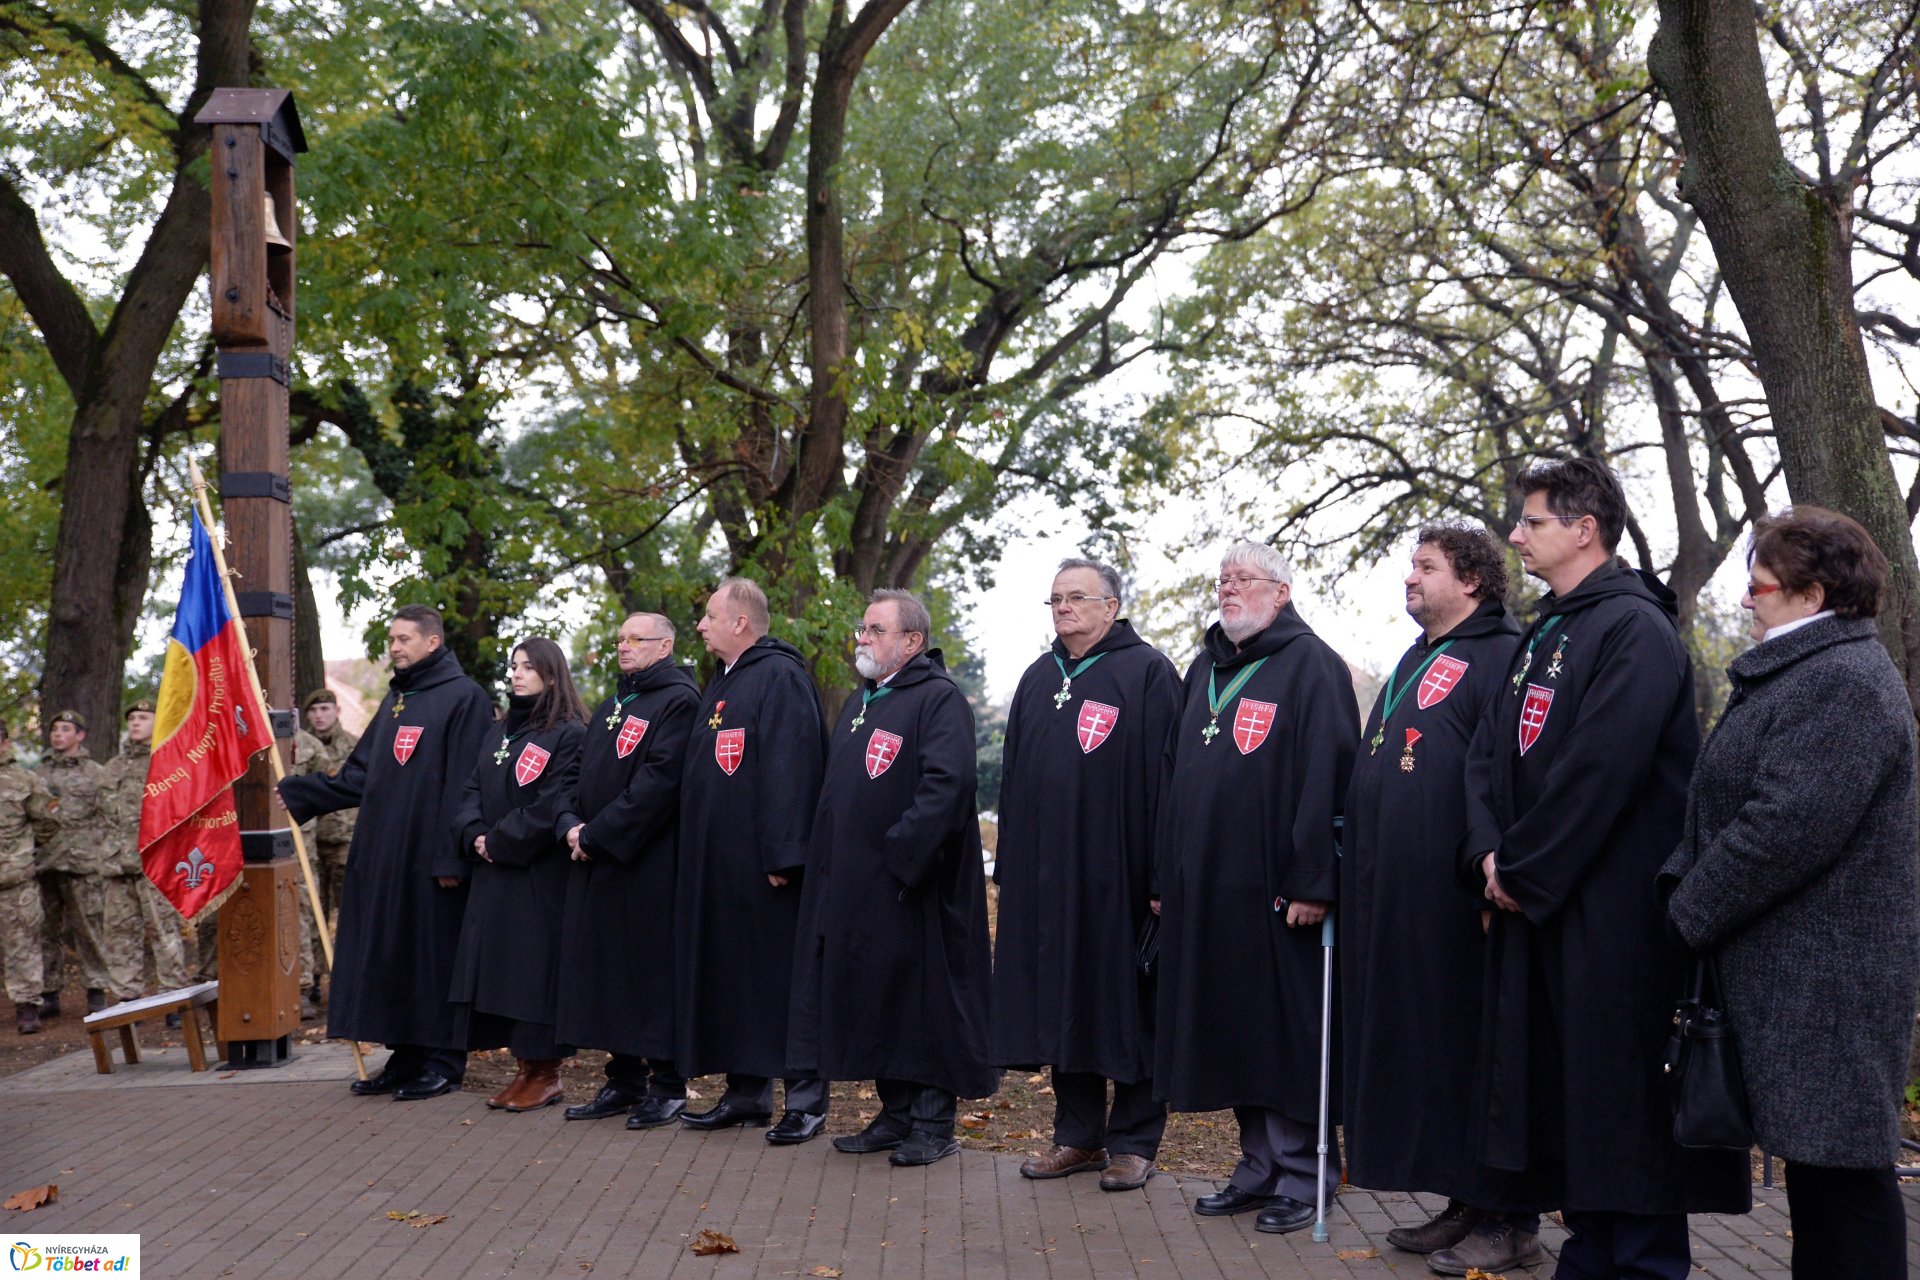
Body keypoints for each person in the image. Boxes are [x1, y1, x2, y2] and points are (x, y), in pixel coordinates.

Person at [1467, 457, 1747, 1279]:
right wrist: (1487, 851)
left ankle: (1644, 1262)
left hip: (1614, 914)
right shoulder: (1550, 628)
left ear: (1585, 529)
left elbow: (1601, 769)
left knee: (1622, 1098)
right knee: (1566, 1093)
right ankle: (1590, 1249)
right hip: (1542, 902)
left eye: (1533, 521)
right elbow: (1488, 752)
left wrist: (1520, 868)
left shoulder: (1634, 627)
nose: (1516, 534)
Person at [1661, 507, 1919, 1280]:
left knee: (1845, 1184)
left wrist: (1686, 913)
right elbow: (1729, 805)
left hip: (1830, 982)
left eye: (1761, 585)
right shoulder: (1806, 671)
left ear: (1813, 596)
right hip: (1801, 979)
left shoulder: (1842, 682)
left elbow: (1782, 829)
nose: (1747, 599)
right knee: (1823, 1180)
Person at [1338, 526, 1543, 1275]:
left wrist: (1495, 870)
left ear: (1474, 581)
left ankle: (1510, 1218)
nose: (1410, 578)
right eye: (1411, 566)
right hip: (1399, 898)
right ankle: (1464, 1199)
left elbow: (1507, 776)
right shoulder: (1418, 656)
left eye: (1426, 567)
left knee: (1479, 1054)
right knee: (1433, 1051)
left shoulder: (1501, 656)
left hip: (1466, 900)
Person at [1154, 542, 1358, 1235]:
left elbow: (1326, 779)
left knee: (1289, 1038)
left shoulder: (1312, 667)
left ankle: (1307, 1175)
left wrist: (1314, 880)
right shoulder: (1205, 667)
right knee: (1235, 1032)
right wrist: (1165, 877)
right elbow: (1173, 777)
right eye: (1223, 580)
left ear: (1283, 591)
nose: (1229, 590)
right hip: (1208, 891)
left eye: (1244, 580)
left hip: (1280, 895)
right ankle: (1257, 1167)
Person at [990, 559, 1182, 1191]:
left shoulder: (1147, 673)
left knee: (1125, 1007)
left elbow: (1169, 784)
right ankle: (1077, 1137)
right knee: (1063, 1004)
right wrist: (1011, 866)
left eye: (1077, 598)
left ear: (1112, 606)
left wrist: (1161, 876)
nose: (1064, 608)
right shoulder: (1039, 677)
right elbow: (1011, 779)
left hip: (1119, 879)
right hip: (1048, 880)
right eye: (1055, 600)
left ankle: (1133, 1141)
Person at [789, 589, 995, 1167]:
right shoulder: (863, 702)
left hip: (914, 887)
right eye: (863, 628)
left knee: (921, 1004)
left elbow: (946, 787)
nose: (863, 638)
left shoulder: (937, 699)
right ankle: (896, 1114)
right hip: (858, 888)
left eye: (876, 630)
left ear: (912, 642)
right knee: (879, 1001)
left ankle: (933, 1123)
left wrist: (900, 858)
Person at [279, 604, 495, 1102]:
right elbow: (361, 773)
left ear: (432, 642)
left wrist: (451, 858)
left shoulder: (466, 698)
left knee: (432, 958)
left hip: (434, 860)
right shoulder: (400, 699)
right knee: (394, 955)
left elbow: (468, 785)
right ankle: (406, 1053)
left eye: (403, 639)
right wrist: (302, 792)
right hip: (387, 857)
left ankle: (443, 1060)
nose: (394, 647)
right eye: (392, 639)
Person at [675, 577, 831, 1143]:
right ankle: (746, 1096)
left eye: (710, 615)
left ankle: (807, 1103)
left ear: (740, 623)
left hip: (768, 869)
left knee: (781, 984)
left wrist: (787, 853)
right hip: (722, 868)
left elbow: (794, 768)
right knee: (738, 981)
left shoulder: (781, 677)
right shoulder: (724, 681)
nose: (700, 625)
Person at [554, 613, 700, 1127]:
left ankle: (666, 1085)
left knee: (648, 975)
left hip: (647, 864)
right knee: (608, 973)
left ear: (665, 646)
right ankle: (623, 1080)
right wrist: (570, 823)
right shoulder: (617, 702)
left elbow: (659, 784)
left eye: (635, 639)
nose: (624, 646)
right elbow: (577, 772)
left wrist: (598, 835)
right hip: (598, 860)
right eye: (620, 639)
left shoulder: (680, 701)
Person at [449, 637, 587, 1113]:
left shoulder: (569, 733)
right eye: (513, 666)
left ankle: (546, 1072)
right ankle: (524, 1070)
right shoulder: (500, 730)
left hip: (537, 877)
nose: (516, 674)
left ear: (551, 673)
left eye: (528, 666)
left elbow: (554, 801)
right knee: (503, 975)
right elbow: (470, 789)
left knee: (534, 974)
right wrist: (474, 833)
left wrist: (500, 841)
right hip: (495, 875)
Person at [102, 701, 191, 1017]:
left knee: (163, 931)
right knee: (119, 934)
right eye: (132, 718)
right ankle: (128, 1000)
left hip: (154, 862)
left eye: (143, 717)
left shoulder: (166, 762)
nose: (136, 723)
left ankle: (173, 998)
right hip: (116, 864)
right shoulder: (112, 767)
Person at [34, 710, 119, 1015]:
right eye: (55, 729)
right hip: (44, 863)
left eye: (66, 729)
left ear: (80, 735)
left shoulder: (97, 774)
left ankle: (96, 989)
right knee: (45, 930)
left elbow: (111, 816)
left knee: (89, 928)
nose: (58, 734)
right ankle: (49, 992)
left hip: (83, 864)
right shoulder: (38, 774)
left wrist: (104, 854)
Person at [301, 688, 360, 1008]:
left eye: (324, 709)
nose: (319, 715)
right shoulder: (299, 747)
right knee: (311, 913)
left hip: (345, 840)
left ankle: (351, 982)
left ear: (336, 711)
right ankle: (311, 983)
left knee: (350, 912)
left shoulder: (354, 746)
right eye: (314, 711)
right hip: (309, 841)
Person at [0, 721, 56, 1034]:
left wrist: (23, 852)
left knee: (22, 944)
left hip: (14, 880)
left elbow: (48, 821)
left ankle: (26, 1007)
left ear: (5, 743)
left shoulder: (25, 780)